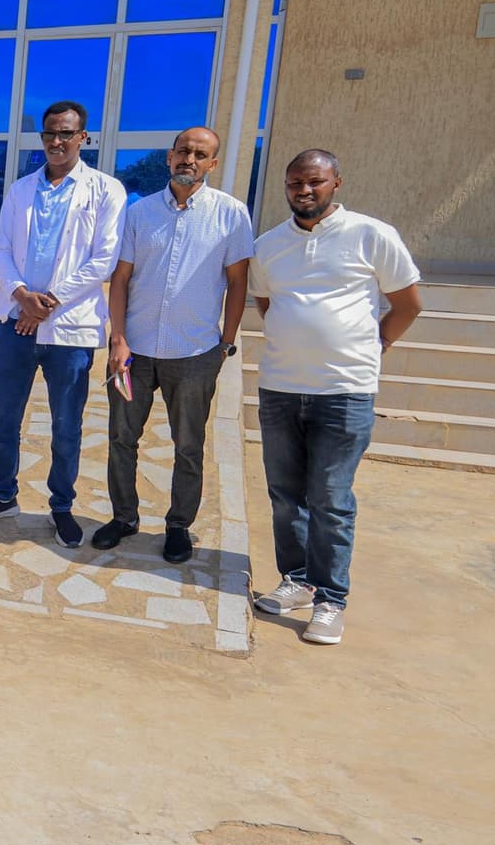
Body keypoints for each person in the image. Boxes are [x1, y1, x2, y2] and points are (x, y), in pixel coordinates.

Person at [249, 150, 421, 646]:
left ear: (337, 183)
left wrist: (377, 342)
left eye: (315, 182)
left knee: (330, 498)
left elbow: (408, 303)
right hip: (281, 388)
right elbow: (267, 302)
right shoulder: (269, 246)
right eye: (295, 183)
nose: (304, 190)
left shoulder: (372, 235)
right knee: (285, 497)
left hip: (344, 392)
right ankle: (297, 580)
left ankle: (330, 600)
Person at [0, 99, 126, 548]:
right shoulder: (20, 190)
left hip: (68, 331)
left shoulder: (106, 190)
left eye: (67, 134)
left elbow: (104, 259)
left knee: (66, 425)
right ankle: (3, 496)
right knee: (4, 419)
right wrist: (21, 296)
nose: (57, 141)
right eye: (50, 133)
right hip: (15, 323)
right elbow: (2, 250)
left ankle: (61, 506)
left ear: (83, 138)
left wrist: (47, 304)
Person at [92, 127, 252, 563]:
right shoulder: (139, 213)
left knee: (188, 445)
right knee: (121, 438)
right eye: (183, 151)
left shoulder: (231, 215)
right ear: (169, 156)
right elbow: (120, 279)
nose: (190, 159)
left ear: (212, 164)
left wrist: (225, 344)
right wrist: (118, 339)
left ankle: (179, 524)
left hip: (196, 357)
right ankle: (124, 517)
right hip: (133, 357)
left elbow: (238, 283)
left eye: (200, 154)